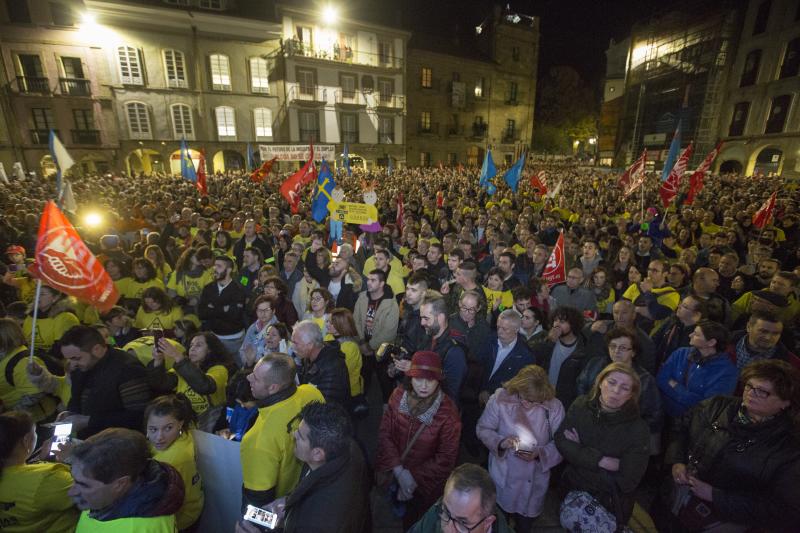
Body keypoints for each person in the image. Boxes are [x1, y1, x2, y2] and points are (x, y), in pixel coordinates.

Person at [660, 360, 800, 532]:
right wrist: (676, 460)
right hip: (675, 500)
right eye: (749, 386)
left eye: (763, 392)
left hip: (721, 522)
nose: (751, 394)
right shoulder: (716, 406)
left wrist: (716, 496)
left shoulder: (788, 447)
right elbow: (680, 429)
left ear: (785, 403)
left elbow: (781, 508)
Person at [236, 402, 370, 533]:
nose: (293, 435)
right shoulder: (350, 447)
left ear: (317, 453)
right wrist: (289, 503)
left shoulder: (316, 523)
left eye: (300, 436)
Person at [555, 362, 650, 531]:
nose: (615, 391)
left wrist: (580, 451)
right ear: (600, 383)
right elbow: (562, 442)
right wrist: (602, 460)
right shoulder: (581, 405)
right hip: (571, 492)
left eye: (625, 388)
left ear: (631, 395)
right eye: (611, 382)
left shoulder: (638, 429)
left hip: (608, 505)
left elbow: (629, 480)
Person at [376, 351, 462, 529]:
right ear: (410, 378)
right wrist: (400, 472)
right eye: (418, 379)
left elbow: (445, 459)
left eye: (430, 380)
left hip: (425, 488)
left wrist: (412, 478)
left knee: (416, 522)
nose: (424, 386)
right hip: (396, 472)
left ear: (438, 381)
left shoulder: (448, 413)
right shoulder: (398, 396)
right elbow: (385, 433)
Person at [476, 365, 565, 532]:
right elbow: (483, 428)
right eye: (522, 397)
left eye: (532, 401)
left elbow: (562, 444)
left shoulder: (554, 407)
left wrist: (540, 453)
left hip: (534, 482)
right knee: (498, 522)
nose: (526, 403)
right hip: (504, 476)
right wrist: (501, 442)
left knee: (524, 525)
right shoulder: (500, 399)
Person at [240, 353, 324, 511]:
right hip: (313, 488)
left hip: (283, 508)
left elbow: (256, 507)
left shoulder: (257, 440)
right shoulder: (311, 392)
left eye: (256, 378)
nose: (249, 377)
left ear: (273, 388)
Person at [68, 427, 184, 532]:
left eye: (84, 485)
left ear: (120, 484)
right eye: (74, 479)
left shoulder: (137, 528)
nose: (71, 492)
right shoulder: (116, 488)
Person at [55, 325, 152, 438]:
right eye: (69, 359)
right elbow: (76, 398)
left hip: (119, 442)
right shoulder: (79, 368)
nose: (72, 364)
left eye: (76, 358)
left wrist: (88, 421)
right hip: (87, 440)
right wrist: (69, 414)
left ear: (97, 349)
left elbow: (138, 416)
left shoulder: (127, 369)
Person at [576, 326, 663, 453]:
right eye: (613, 346)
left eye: (622, 348)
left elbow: (654, 416)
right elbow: (581, 391)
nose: (616, 351)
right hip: (592, 429)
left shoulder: (644, 379)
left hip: (623, 440)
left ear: (633, 352)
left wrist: (628, 431)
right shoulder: (594, 364)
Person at [0, 411, 79, 532]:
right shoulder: (46, 478)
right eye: (35, 432)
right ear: (26, 441)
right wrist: (74, 458)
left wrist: (43, 461)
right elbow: (92, 490)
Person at [147, 331, 232, 432]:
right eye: (191, 345)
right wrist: (158, 360)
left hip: (211, 424)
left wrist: (177, 355)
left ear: (210, 350)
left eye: (198, 345)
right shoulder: (183, 368)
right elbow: (160, 384)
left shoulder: (219, 369)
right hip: (187, 422)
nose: (192, 349)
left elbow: (205, 386)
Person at [144, 394, 204, 531]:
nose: (159, 438)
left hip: (180, 520)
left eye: (168, 428)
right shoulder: (183, 435)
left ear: (180, 424)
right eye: (153, 429)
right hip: (194, 508)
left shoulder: (172, 461)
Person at [657, 320, 738, 419]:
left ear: (711, 342)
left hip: (692, 422)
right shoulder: (680, 353)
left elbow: (706, 404)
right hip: (663, 413)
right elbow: (661, 379)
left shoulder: (727, 372)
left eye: (696, 334)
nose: (690, 335)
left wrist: (675, 386)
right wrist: (689, 395)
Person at [409, 463, 513, 532]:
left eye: (462, 523)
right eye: (446, 512)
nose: (448, 530)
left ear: (487, 522)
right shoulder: (436, 512)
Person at [0, 317, 58, 423]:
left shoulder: (22, 362)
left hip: (37, 420)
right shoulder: (5, 356)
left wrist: (11, 414)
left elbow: (35, 394)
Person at [531, 306, 588, 408]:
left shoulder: (582, 349)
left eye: (562, 321)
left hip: (564, 401)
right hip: (541, 395)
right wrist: (549, 342)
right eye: (555, 320)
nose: (557, 324)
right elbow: (533, 359)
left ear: (573, 324)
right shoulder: (544, 338)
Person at [354, 269, 399, 395]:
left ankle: (386, 405)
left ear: (381, 283)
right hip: (362, 345)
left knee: (384, 380)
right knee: (363, 377)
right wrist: (362, 342)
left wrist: (370, 346)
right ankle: (361, 399)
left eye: (373, 280)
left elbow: (389, 332)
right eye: (368, 279)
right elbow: (355, 320)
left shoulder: (391, 303)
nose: (368, 282)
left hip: (381, 350)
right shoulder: (362, 297)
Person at [419, 293, 468, 403]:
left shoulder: (455, 352)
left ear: (440, 318)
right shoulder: (428, 337)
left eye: (426, 318)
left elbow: (450, 392)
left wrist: (417, 371)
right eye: (421, 318)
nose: (422, 323)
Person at [478, 309, 535, 403]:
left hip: (502, 403)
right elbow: (477, 367)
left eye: (505, 329)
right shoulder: (487, 339)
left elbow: (518, 386)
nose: (499, 332)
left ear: (516, 329)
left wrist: (491, 393)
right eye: (498, 327)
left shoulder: (526, 356)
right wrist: (481, 389)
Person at [292, 320, 351, 408]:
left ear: (310, 345)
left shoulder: (333, 367)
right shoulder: (309, 357)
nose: (293, 347)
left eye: (295, 343)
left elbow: (325, 405)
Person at [198, 255, 247, 358]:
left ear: (229, 270)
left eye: (219, 266)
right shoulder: (208, 288)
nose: (215, 269)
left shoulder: (238, 290)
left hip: (233, 339)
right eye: (214, 266)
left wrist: (212, 308)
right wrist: (224, 308)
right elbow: (202, 314)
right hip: (213, 336)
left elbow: (234, 315)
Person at [724, 310, 800, 370]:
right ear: (748, 327)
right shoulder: (721, 344)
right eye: (763, 331)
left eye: (775, 333)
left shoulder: (791, 363)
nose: (768, 337)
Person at [326, 308, 365, 412]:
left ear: (341, 324)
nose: (328, 325)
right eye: (328, 321)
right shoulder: (329, 336)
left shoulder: (350, 346)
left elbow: (341, 372)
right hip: (336, 389)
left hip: (348, 392)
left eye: (332, 323)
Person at [22, 284, 80, 353]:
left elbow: (59, 349)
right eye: (35, 293)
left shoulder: (65, 317)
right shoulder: (31, 316)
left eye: (42, 294)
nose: (36, 297)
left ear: (55, 298)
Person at [239, 295, 277, 368]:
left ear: (273, 311)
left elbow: (279, 356)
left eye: (267, 310)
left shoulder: (278, 329)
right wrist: (248, 361)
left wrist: (254, 359)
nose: (263, 313)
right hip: (250, 367)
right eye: (259, 310)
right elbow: (243, 350)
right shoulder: (252, 327)